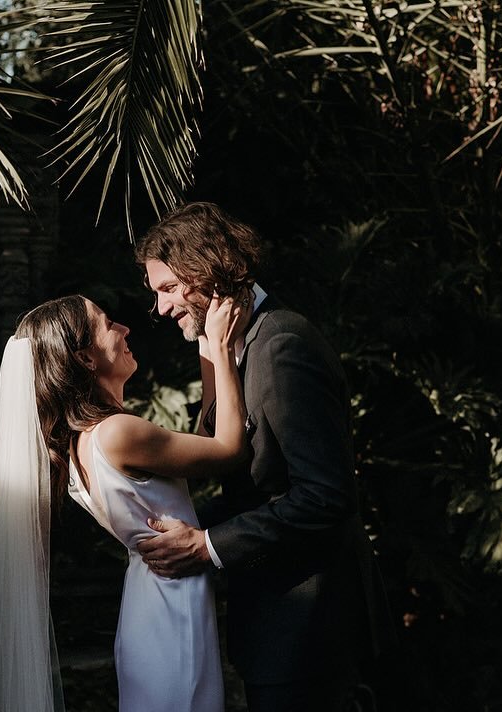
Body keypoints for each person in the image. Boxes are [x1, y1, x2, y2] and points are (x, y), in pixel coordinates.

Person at [135, 202, 398, 712]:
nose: (162, 309)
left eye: (168, 289)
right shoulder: (238, 345)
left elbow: (325, 497)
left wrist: (208, 544)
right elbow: (237, 474)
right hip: (279, 628)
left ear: (205, 270)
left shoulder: (280, 345)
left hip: (311, 631)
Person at [0, 292, 248, 712]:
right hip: (170, 605)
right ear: (86, 359)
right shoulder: (118, 433)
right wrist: (220, 347)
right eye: (108, 325)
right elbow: (229, 449)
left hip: (153, 600)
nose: (124, 329)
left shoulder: (82, 443)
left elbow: (200, 444)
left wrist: (204, 348)